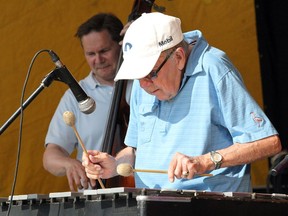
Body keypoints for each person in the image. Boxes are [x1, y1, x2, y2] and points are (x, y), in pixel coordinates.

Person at [82, 12, 282, 192]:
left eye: (150, 74)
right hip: (154, 205)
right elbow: (137, 150)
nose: (143, 85)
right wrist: (115, 163)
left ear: (178, 57)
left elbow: (268, 143)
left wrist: (206, 161)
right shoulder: (142, 83)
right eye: (137, 77)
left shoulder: (214, 68)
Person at [43, 13, 127, 191]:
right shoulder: (74, 96)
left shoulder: (148, 85)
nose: (98, 60)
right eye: (90, 54)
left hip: (144, 190)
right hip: (95, 198)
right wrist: (68, 163)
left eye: (104, 51)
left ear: (121, 46)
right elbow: (51, 154)